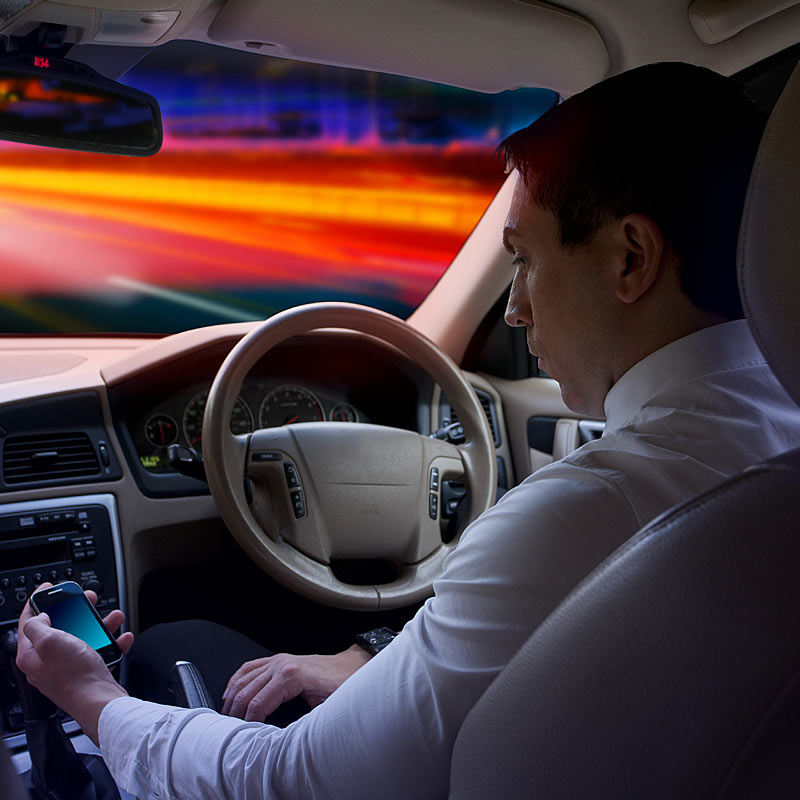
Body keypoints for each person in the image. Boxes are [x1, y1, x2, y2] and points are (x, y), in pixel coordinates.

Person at [17, 62, 800, 799]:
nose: (518, 308)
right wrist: (369, 659)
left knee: (164, 645)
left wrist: (89, 698)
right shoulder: (774, 452)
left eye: (522, 260)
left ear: (632, 259)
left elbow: (291, 781)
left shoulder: (585, 510)